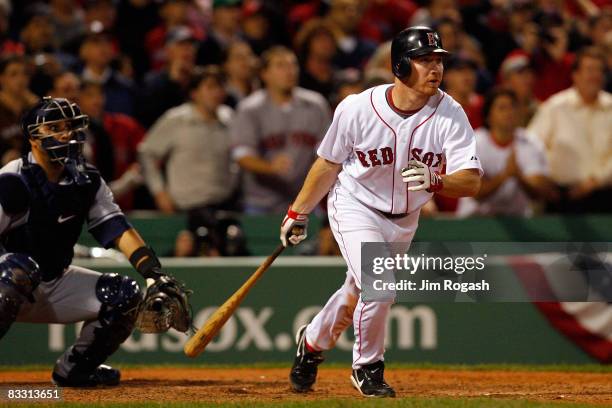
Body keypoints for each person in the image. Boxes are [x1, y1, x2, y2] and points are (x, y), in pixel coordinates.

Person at [282, 26, 482, 398]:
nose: (435, 68)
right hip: (356, 205)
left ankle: (311, 343)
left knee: (357, 291)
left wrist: (436, 180)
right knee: (381, 284)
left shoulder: (450, 113)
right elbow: (327, 164)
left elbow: (470, 182)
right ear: (401, 65)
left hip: (405, 219)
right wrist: (299, 212)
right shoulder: (357, 108)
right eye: (424, 60)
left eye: (438, 60)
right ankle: (368, 368)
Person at [0, 96, 191, 386]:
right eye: (55, 128)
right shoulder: (12, 179)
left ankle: (76, 370)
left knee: (124, 294)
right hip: (8, 280)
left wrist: (153, 273)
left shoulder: (86, 180)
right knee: (18, 268)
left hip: (52, 281)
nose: (66, 134)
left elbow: (116, 228)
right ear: (33, 138)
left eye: (70, 126)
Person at [139, 66, 246, 255]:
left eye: (220, 87)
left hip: (224, 206)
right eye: (210, 87)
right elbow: (147, 152)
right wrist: (159, 192)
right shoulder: (176, 119)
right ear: (194, 93)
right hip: (185, 212)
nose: (217, 92)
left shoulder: (229, 117)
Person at [230, 46, 331, 214]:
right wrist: (270, 167)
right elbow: (241, 155)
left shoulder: (316, 105)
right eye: (280, 66)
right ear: (264, 74)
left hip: (305, 199)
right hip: (261, 202)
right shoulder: (250, 109)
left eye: (293, 65)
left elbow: (326, 151)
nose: (289, 71)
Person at [527, 46, 612, 213]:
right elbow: (530, 146)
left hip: (605, 196)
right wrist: (541, 181)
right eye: (589, 70)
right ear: (575, 75)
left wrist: (596, 181)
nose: (594, 76)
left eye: (599, 70)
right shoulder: (555, 107)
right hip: (561, 197)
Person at [457, 89, 557, 216]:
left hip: (518, 220)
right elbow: (474, 191)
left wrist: (519, 177)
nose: (509, 112)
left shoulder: (530, 143)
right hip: (476, 219)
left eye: (512, 107)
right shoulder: (475, 143)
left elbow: (540, 192)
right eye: (502, 108)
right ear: (488, 116)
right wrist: (505, 175)